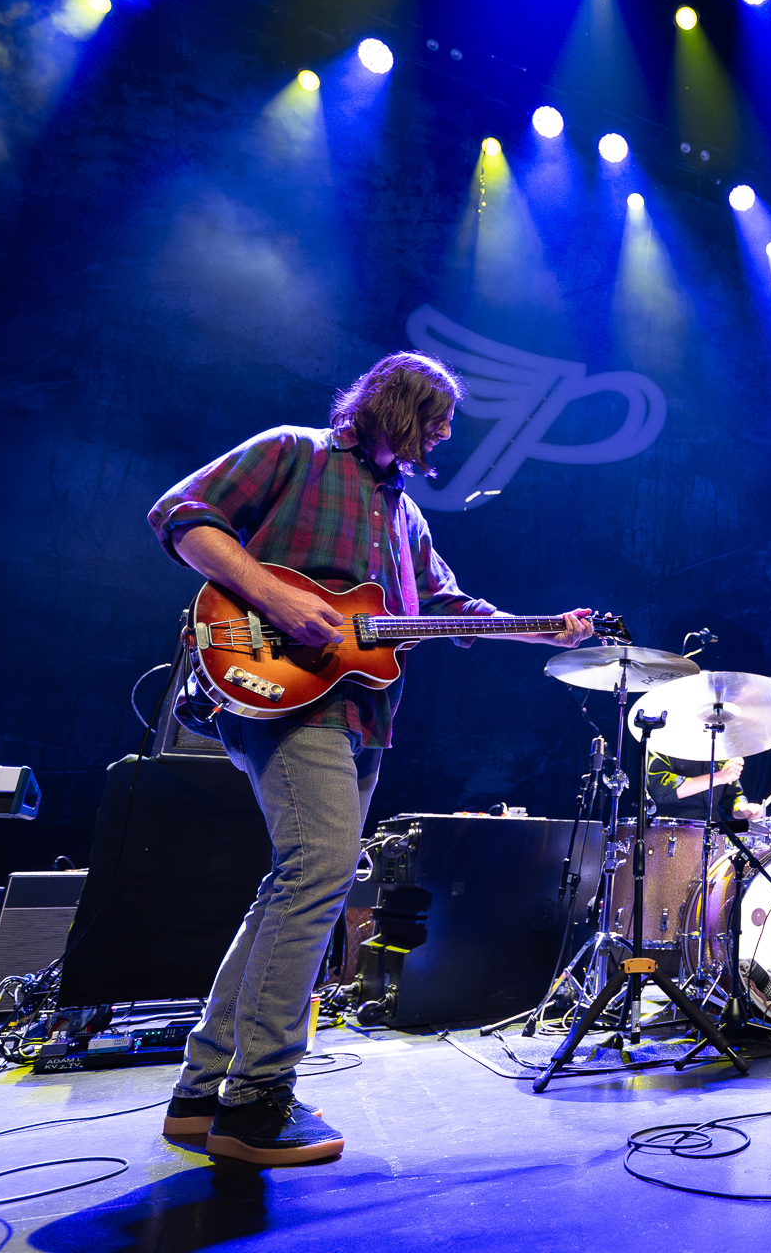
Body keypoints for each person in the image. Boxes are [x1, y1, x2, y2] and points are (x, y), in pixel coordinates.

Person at [147, 352, 596, 1165]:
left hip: (363, 714)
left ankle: (202, 1092)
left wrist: (538, 626)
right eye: (440, 419)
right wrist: (279, 598)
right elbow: (182, 513)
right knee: (319, 871)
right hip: (280, 690)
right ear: (402, 409)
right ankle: (256, 1103)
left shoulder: (405, 518)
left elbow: (449, 609)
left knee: (298, 879)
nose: (447, 436)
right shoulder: (295, 452)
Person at [646, 753, 768, 825]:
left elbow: (731, 799)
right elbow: (660, 789)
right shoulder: (665, 740)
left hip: (716, 836)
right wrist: (718, 777)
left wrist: (743, 809)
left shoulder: (722, 746)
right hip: (671, 835)